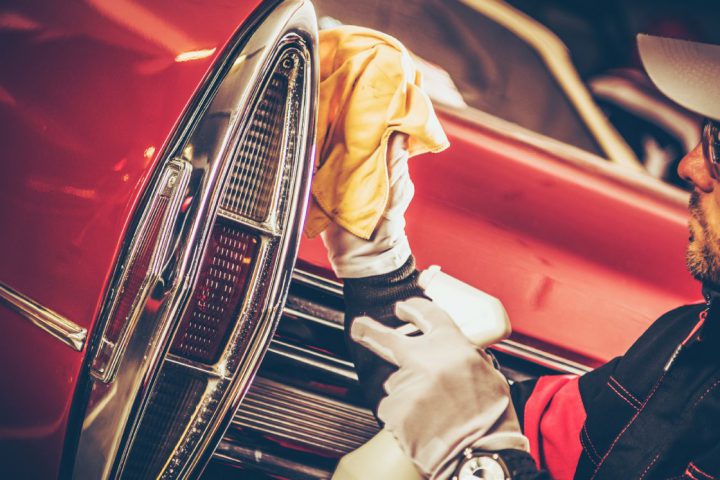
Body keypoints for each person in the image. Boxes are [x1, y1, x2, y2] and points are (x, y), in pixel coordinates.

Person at [320, 34, 720, 479]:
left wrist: (480, 458)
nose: (691, 166)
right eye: (707, 131)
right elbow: (523, 432)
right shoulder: (694, 341)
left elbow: (480, 440)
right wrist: (378, 264)